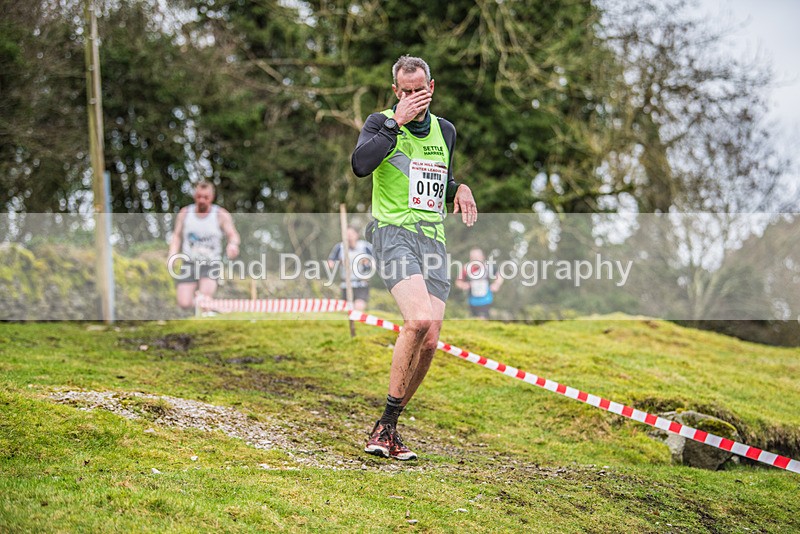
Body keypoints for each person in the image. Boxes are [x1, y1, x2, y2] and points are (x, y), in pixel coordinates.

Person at [351, 55, 478, 460]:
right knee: (418, 320)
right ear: (395, 92)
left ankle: (391, 427)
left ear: (431, 88)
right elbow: (360, 165)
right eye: (403, 92)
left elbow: (439, 178)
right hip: (393, 234)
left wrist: (458, 189)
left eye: (418, 91)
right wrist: (395, 122)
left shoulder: (446, 131)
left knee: (432, 341)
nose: (411, 98)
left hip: (433, 240)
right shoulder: (379, 123)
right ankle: (384, 425)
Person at [168, 180, 240, 310]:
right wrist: (172, 254)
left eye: (205, 197)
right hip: (189, 262)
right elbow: (176, 236)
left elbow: (233, 235)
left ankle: (206, 309)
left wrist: (232, 245)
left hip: (211, 263)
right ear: (195, 196)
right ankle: (210, 308)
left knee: (205, 300)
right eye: (199, 196)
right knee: (184, 303)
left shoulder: (220, 215)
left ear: (212, 197)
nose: (202, 200)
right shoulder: (185, 213)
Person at [327, 225, 374, 311]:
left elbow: (376, 259)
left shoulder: (365, 246)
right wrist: (335, 263)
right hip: (346, 284)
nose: (349, 236)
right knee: (348, 310)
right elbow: (331, 261)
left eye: (351, 234)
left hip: (361, 284)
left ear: (356, 235)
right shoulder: (340, 247)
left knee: (359, 307)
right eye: (346, 234)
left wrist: (367, 263)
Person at [455, 247, 504, 319]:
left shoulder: (488, 267)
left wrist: (496, 285)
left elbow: (499, 276)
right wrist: (464, 285)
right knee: (473, 320)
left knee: (482, 319)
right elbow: (458, 282)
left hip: (486, 299)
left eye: (477, 257)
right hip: (471, 300)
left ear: (483, 257)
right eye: (473, 257)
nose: (475, 259)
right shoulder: (466, 268)